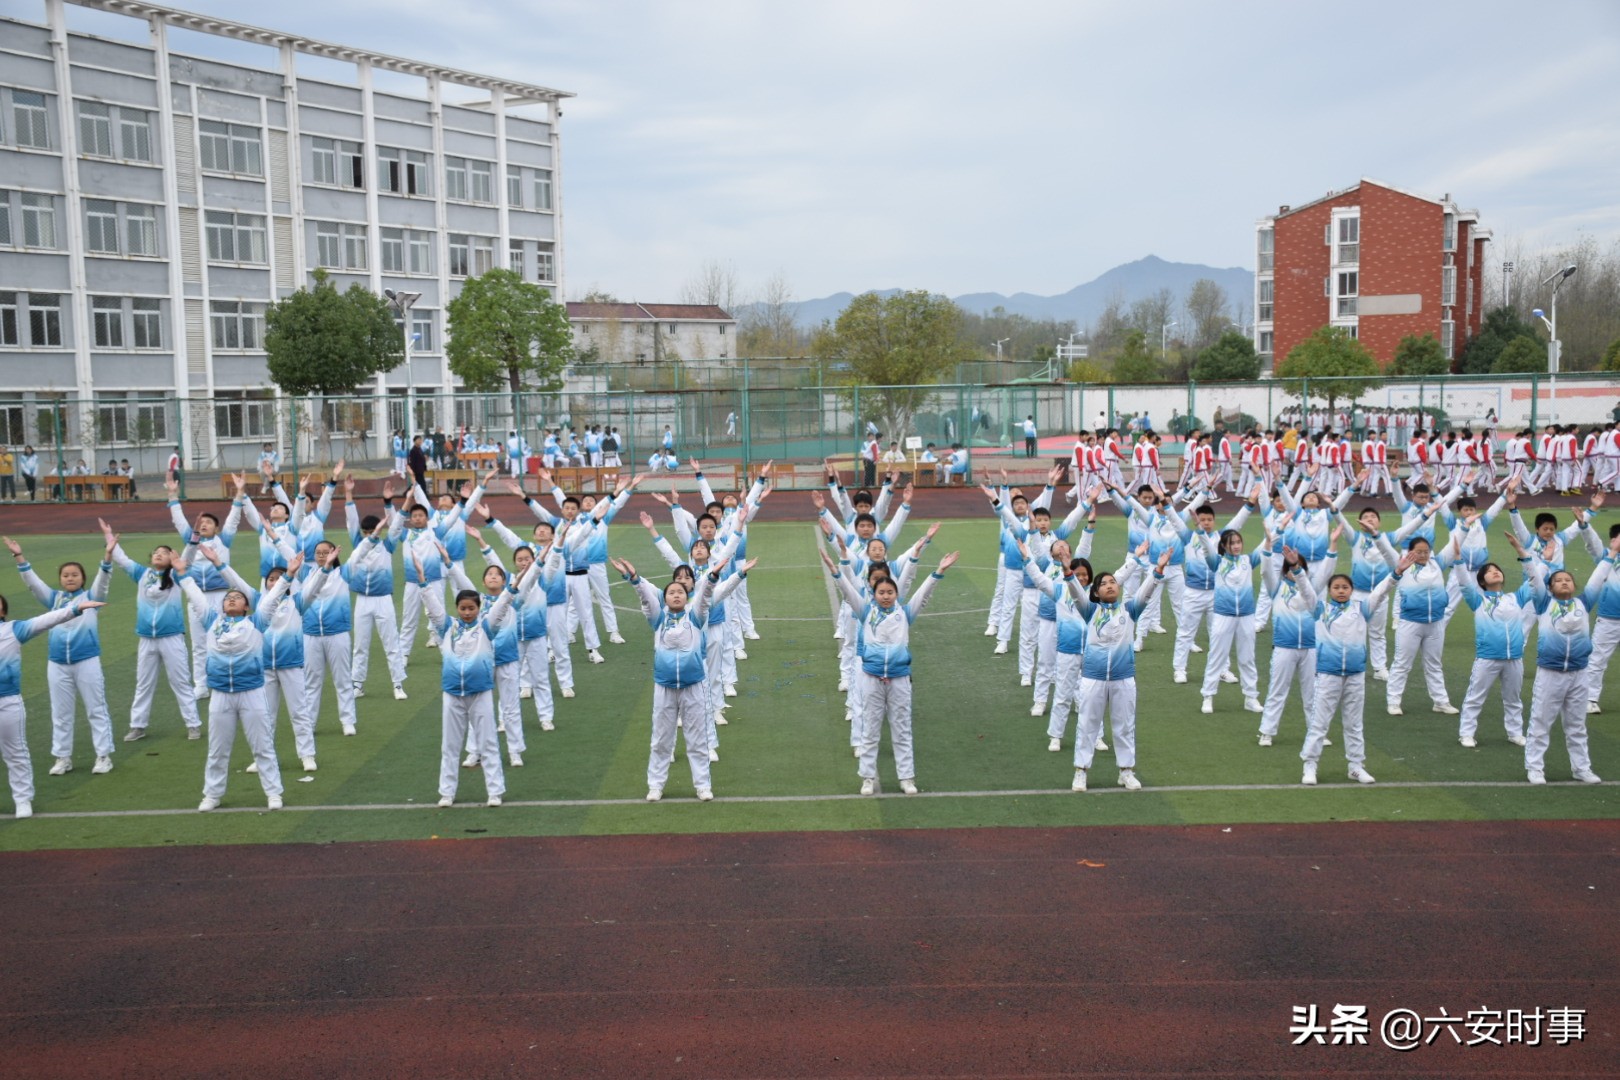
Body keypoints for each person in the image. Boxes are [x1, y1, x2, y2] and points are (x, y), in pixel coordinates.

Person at [616, 551, 749, 802]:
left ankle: (702, 786)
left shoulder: (696, 616)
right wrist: (634, 578)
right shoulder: (658, 619)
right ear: (664, 599)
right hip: (664, 687)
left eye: (680, 591)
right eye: (671, 592)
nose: (676, 594)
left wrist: (713, 575)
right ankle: (655, 785)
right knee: (661, 740)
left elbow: (707, 594)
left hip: (694, 686)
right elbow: (645, 597)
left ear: (687, 596)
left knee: (697, 740)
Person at [824, 544, 957, 796]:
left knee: (902, 728)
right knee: (870, 728)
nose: (885, 596)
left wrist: (938, 571)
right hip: (871, 677)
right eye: (881, 592)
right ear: (872, 594)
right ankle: (867, 778)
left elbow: (923, 595)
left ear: (896, 594)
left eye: (890, 592)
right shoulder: (865, 611)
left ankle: (906, 778)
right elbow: (847, 591)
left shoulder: (905, 614)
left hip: (899, 679)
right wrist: (835, 570)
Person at [172, 553, 288, 812]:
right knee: (218, 749)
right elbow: (196, 597)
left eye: (237, 598)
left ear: (246, 606)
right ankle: (212, 795)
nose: (232, 599)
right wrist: (182, 574)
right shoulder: (212, 622)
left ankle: (273, 792)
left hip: (252, 692)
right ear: (222, 606)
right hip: (221, 694)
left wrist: (287, 576)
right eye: (228, 598)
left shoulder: (257, 622)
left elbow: (271, 600)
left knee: (263, 746)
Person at [5, 534, 115, 776]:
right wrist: (19, 556)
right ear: (60, 580)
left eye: (75, 575)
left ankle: (103, 756)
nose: (70, 578)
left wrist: (107, 556)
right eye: (66, 575)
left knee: (96, 708)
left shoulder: (92, 597)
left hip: (87, 660)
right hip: (57, 664)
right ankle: (62, 758)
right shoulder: (53, 599)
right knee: (61, 712)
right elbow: (33, 584)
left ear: (83, 578)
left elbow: (104, 581)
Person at [1068, 546, 1170, 792]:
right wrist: (1067, 572)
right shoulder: (1089, 610)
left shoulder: (1129, 610)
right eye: (1104, 584)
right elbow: (1075, 593)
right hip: (1092, 677)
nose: (1110, 585)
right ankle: (1081, 771)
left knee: (1124, 725)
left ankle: (1126, 771)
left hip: (1124, 678)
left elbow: (1146, 594)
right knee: (1087, 723)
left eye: (1113, 582)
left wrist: (1157, 571)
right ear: (1096, 592)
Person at [0, 589, 106, 819]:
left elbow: (45, 621)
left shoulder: (14, 630)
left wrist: (75, 609)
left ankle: (22, 799)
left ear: (3, 610)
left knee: (15, 752)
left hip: (7, 701)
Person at [1524, 540, 1618, 784]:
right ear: (1550, 588)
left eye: (1568, 579)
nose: (1564, 582)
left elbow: (1598, 579)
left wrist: (1613, 553)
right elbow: (1534, 578)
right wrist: (1526, 557)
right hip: (1550, 673)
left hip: (1579, 673)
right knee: (1541, 722)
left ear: (1575, 586)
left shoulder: (1583, 603)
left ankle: (1581, 768)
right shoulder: (1544, 604)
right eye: (1558, 580)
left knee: (1576, 725)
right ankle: (1535, 768)